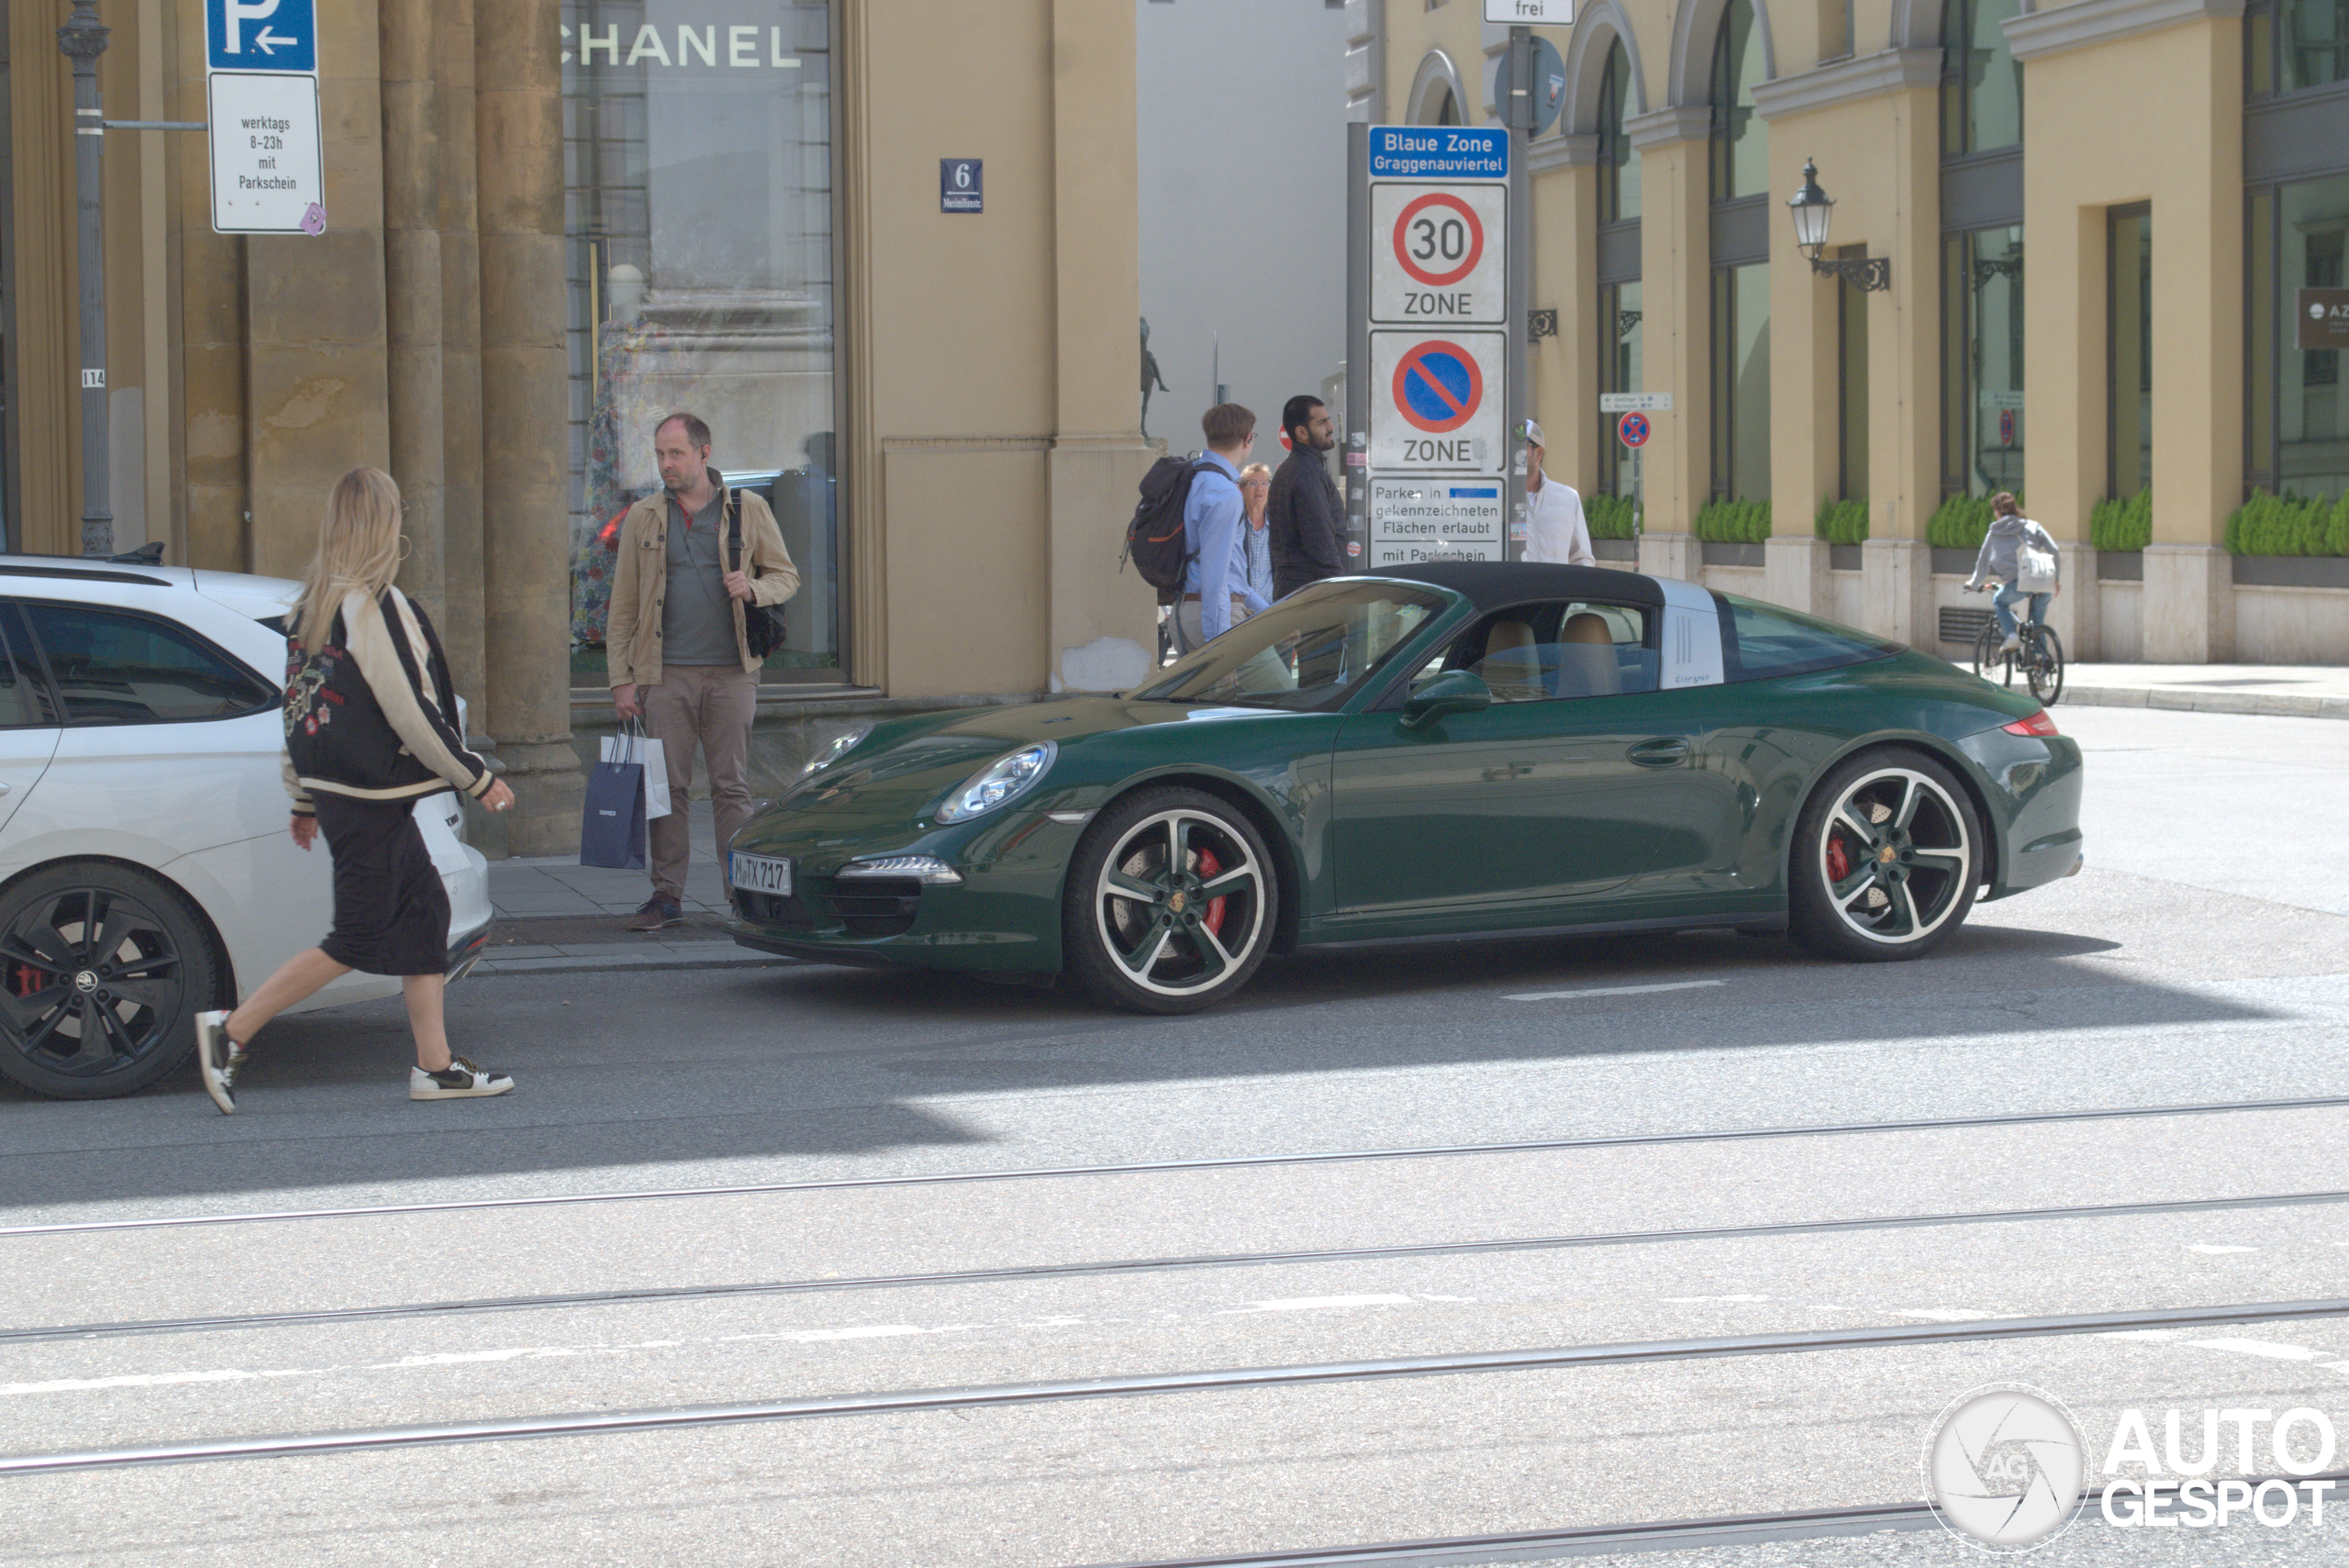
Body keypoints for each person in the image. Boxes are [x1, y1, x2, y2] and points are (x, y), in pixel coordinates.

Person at [195, 467, 519, 1115]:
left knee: (425, 910)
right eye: (397, 511)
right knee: (356, 935)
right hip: (372, 798)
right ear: (385, 524)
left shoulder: (309, 606)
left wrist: (304, 796)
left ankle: (437, 1066)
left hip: (350, 796)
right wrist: (474, 775)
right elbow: (411, 708)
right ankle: (230, 1031)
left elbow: (298, 715)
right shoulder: (373, 605)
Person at [607, 412, 801, 931]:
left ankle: (741, 895)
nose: (666, 464)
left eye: (676, 454)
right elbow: (624, 605)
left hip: (733, 672)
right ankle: (666, 895)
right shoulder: (645, 516)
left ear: (704, 453)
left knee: (730, 787)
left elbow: (786, 576)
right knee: (666, 789)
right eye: (660, 454)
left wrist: (754, 589)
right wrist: (622, 679)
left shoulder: (747, 509)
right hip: (664, 673)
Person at [1176, 404, 1270, 651]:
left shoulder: (1194, 477)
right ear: (1248, 439)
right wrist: (1218, 648)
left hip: (1185, 611)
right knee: (1280, 689)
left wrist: (1273, 618)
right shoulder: (1225, 492)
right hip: (1218, 619)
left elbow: (1234, 578)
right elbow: (1215, 579)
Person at [1964, 491, 2061, 652]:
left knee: (1999, 602)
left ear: (1998, 511)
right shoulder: (2032, 526)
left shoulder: (1994, 533)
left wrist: (1974, 583)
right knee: (2038, 625)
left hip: (2018, 584)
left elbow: (1983, 561)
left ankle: (2011, 636)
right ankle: (2041, 668)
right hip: (2043, 582)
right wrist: (2056, 579)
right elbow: (2055, 550)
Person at [1268, 395, 1343, 599]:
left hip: (1292, 592)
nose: (1331, 427)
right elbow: (1321, 545)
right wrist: (1340, 596)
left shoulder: (1288, 470)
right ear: (1302, 432)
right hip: (1313, 596)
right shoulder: (1308, 474)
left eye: (1328, 419)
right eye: (1322, 422)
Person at [1520, 421, 1597, 566]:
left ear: (1539, 453)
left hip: (1556, 589)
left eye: (1521, 445)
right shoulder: (1499, 502)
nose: (1513, 452)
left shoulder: (1568, 498)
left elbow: (1581, 558)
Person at [1238, 461, 1275, 608]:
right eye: (1252, 483)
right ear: (1242, 489)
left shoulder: (1277, 526)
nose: (1259, 488)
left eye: (1264, 483)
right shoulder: (1236, 526)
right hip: (1240, 609)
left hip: (1270, 608)